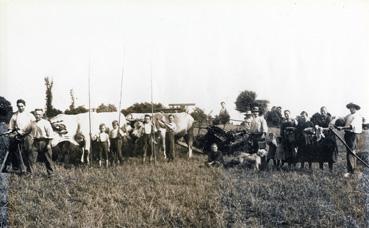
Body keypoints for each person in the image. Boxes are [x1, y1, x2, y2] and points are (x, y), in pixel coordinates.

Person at [7, 99, 36, 175]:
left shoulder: (30, 115)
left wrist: (31, 135)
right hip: (17, 135)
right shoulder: (15, 115)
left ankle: (30, 171)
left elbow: (33, 127)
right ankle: (19, 168)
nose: (20, 108)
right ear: (17, 106)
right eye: (19, 106)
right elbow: (11, 126)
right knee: (15, 151)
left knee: (28, 153)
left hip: (27, 135)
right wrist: (10, 131)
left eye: (22, 106)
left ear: (25, 106)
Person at [336, 102, 363, 177]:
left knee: (351, 152)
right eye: (350, 107)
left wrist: (342, 128)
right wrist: (336, 123)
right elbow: (342, 120)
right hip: (347, 134)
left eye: (352, 107)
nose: (351, 109)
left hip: (354, 134)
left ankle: (352, 171)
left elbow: (351, 126)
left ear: (355, 108)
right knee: (349, 152)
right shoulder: (348, 115)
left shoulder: (357, 116)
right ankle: (351, 170)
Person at [32, 109, 55, 177]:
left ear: (42, 115)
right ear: (34, 114)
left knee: (48, 159)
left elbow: (50, 134)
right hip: (35, 142)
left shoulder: (46, 122)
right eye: (36, 114)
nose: (37, 116)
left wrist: (48, 144)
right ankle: (31, 174)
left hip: (44, 142)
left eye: (39, 114)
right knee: (31, 159)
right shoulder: (32, 123)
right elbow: (27, 131)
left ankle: (51, 174)